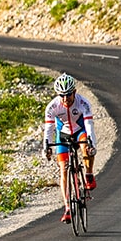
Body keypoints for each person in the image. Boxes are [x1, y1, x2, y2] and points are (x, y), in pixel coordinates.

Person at [42, 73, 97, 224]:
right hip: (63, 134)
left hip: (80, 131)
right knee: (63, 169)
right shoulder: (52, 107)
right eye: (62, 95)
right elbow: (49, 130)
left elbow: (89, 126)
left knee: (86, 147)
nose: (65, 99)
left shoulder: (83, 103)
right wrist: (46, 147)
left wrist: (92, 144)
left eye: (68, 95)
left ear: (74, 92)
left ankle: (89, 175)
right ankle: (67, 208)